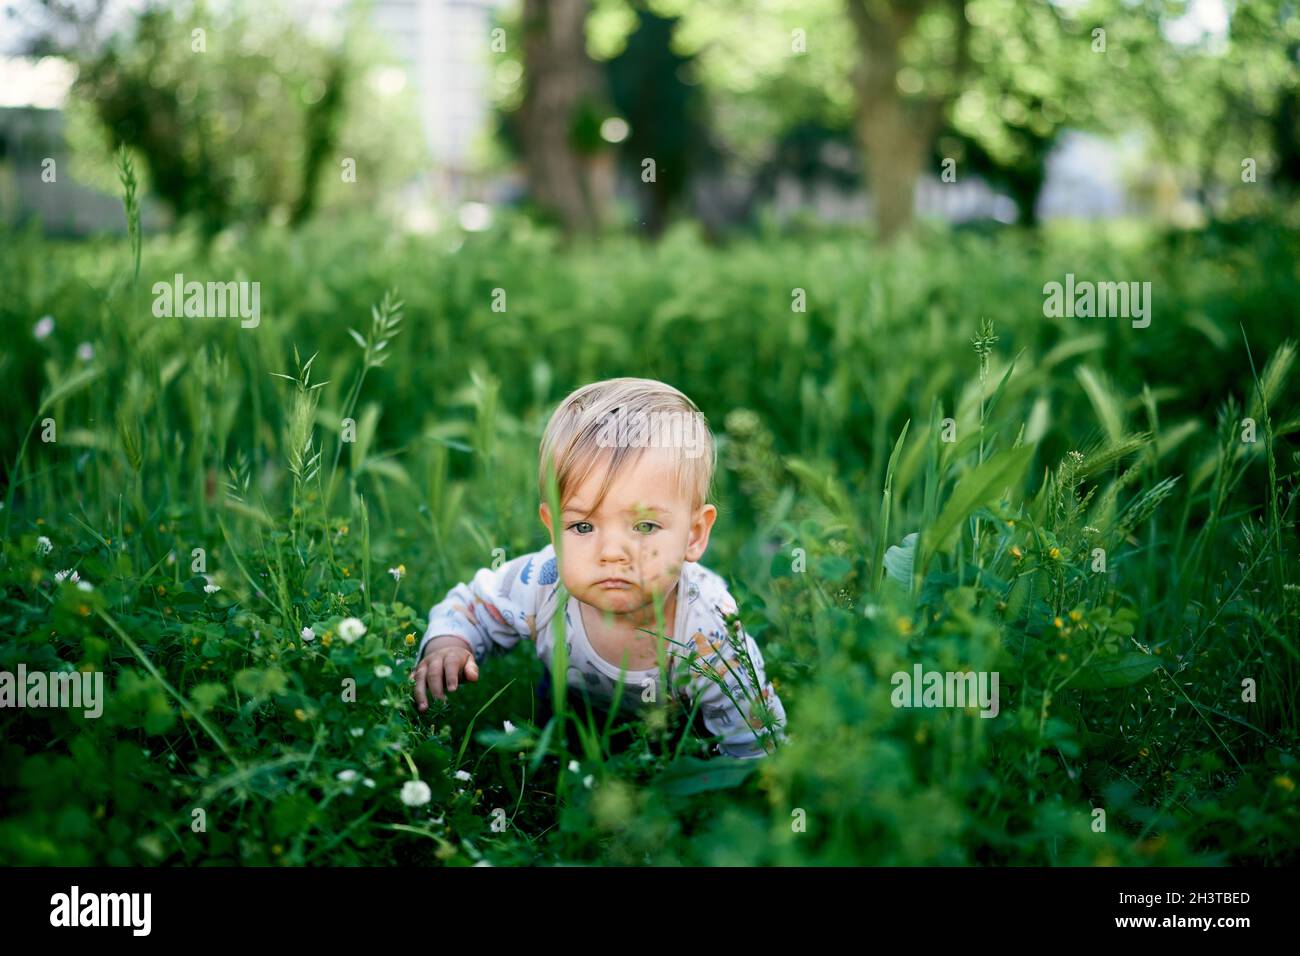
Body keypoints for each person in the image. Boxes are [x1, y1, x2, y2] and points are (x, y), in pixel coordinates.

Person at [411, 377, 787, 759]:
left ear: (693, 535)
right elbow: (473, 605)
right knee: (554, 744)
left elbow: (756, 742)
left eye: (644, 526)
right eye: (583, 526)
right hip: (573, 706)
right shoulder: (544, 582)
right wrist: (449, 643)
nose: (611, 553)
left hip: (680, 730)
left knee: (692, 751)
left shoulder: (709, 635)